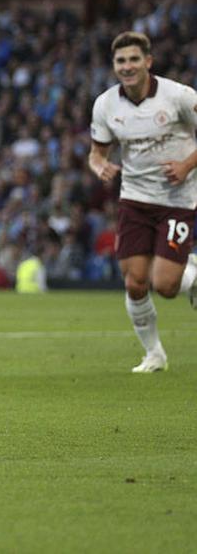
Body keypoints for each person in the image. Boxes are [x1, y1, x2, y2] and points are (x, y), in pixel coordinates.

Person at [88, 31, 197, 373]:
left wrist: (185, 165)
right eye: (121, 61)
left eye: (134, 59)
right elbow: (96, 153)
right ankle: (155, 354)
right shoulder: (106, 104)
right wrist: (99, 166)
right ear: (114, 65)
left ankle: (192, 273)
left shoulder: (179, 96)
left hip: (177, 199)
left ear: (148, 61)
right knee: (135, 282)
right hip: (134, 199)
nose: (128, 66)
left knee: (165, 285)